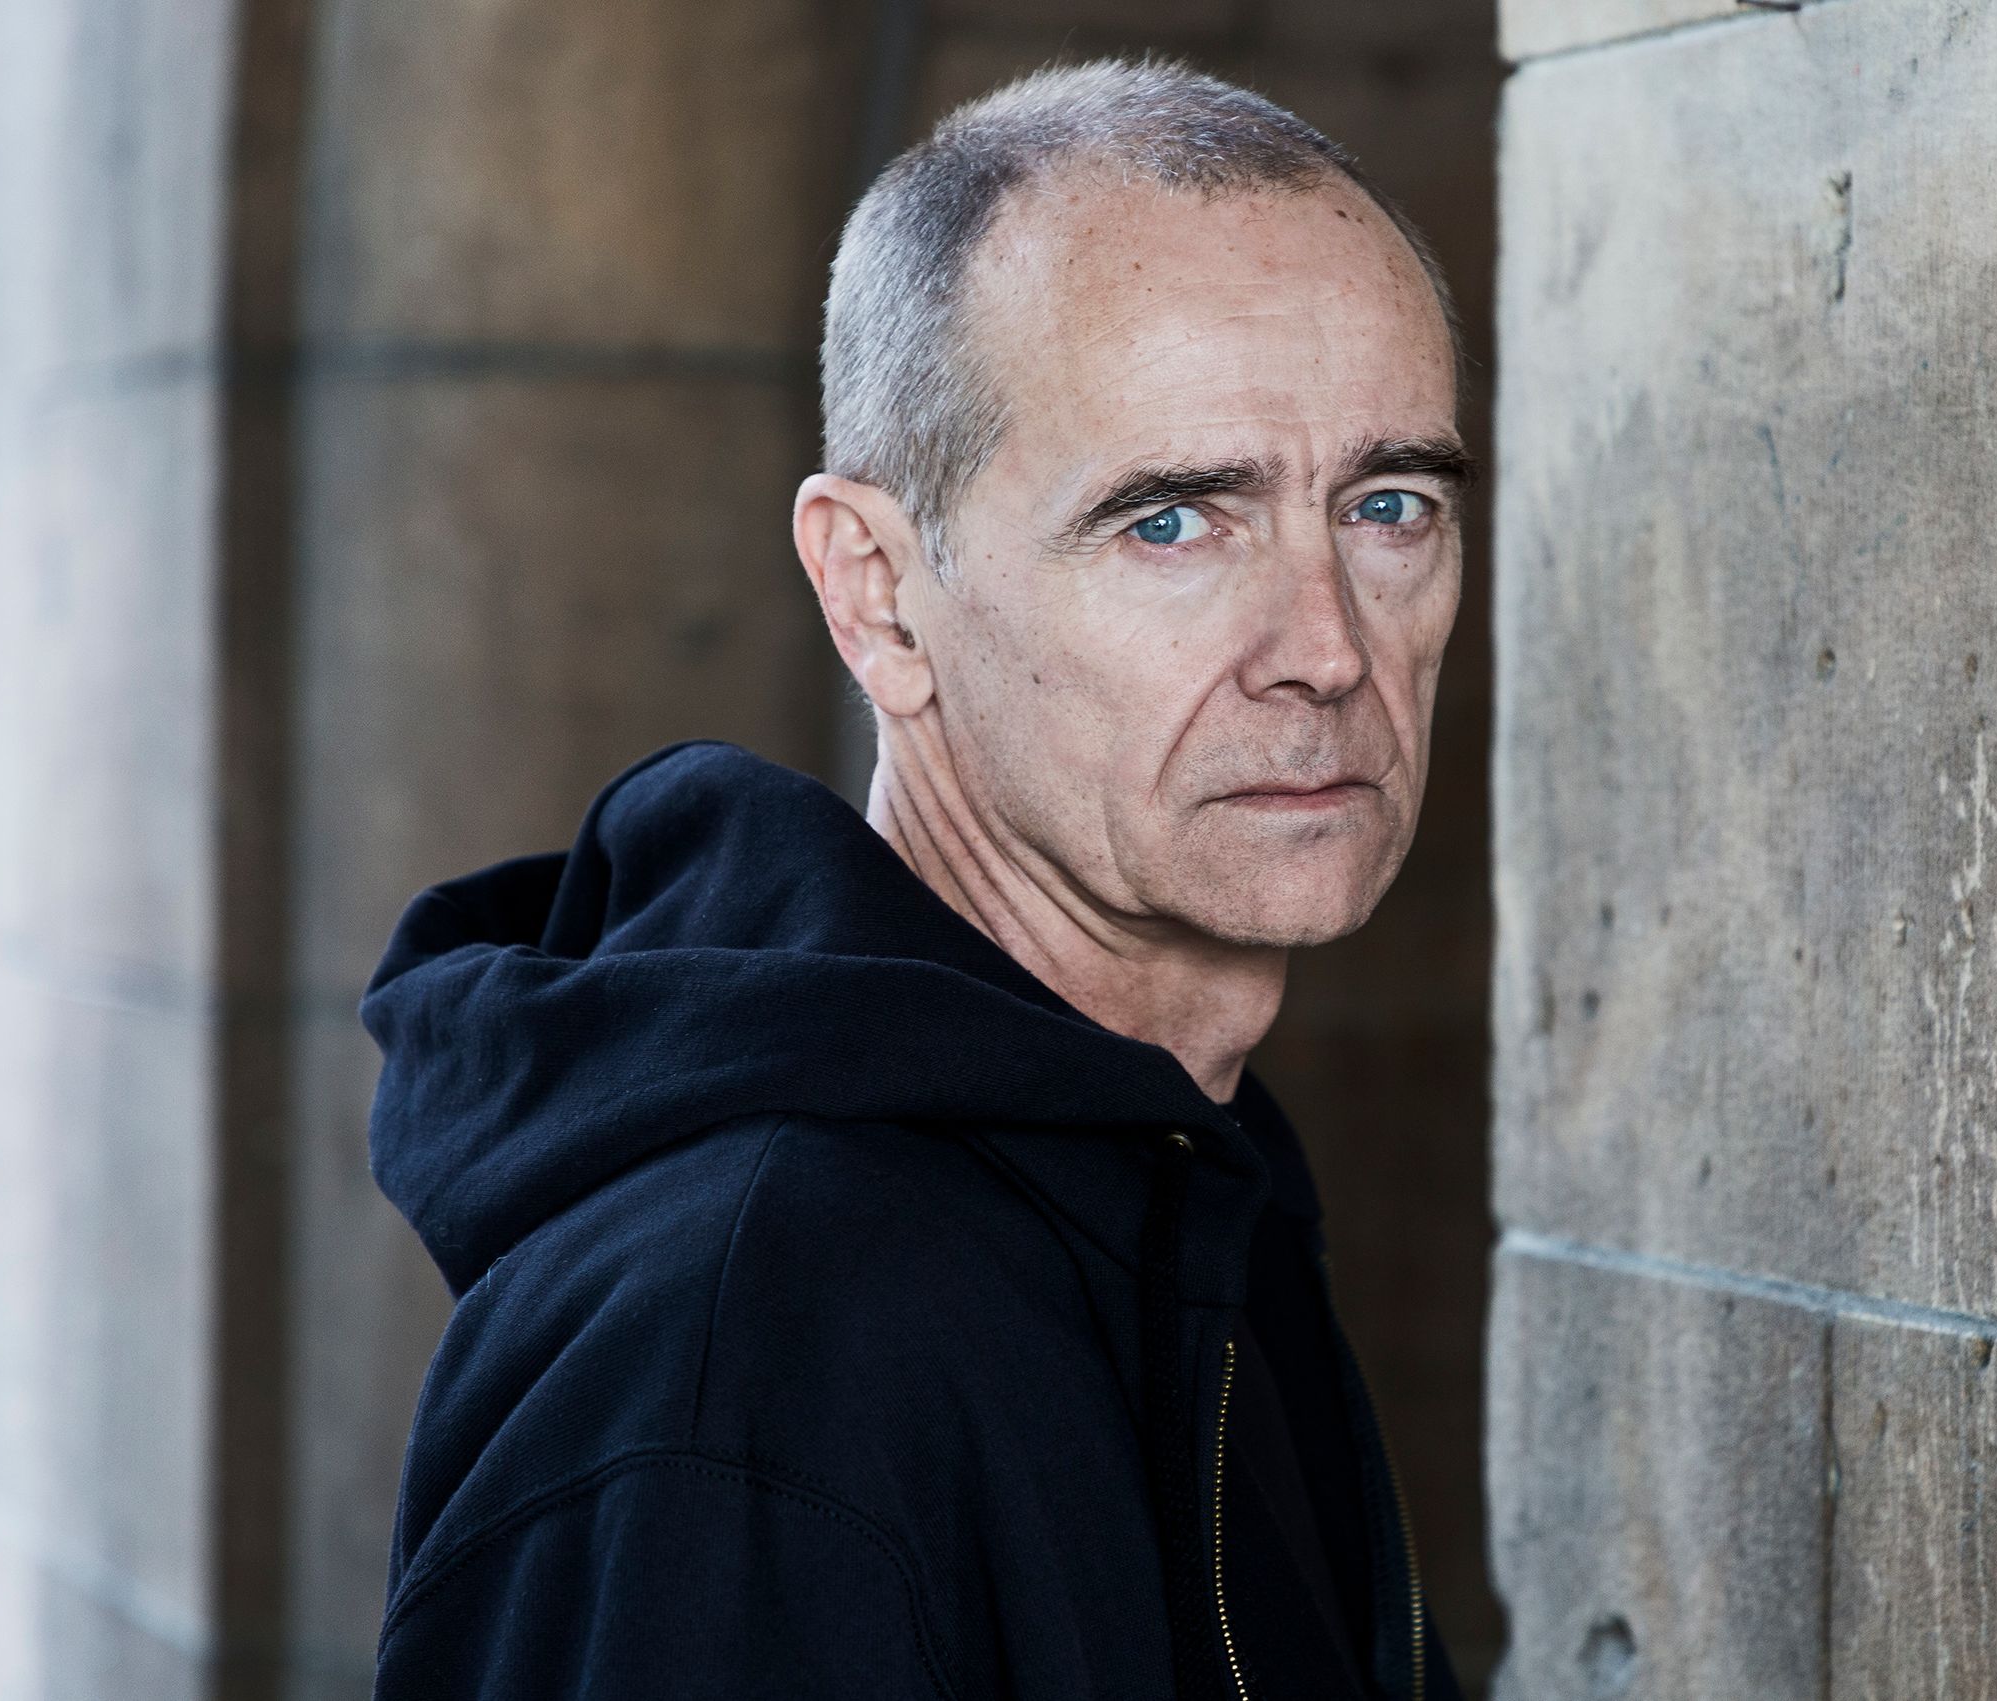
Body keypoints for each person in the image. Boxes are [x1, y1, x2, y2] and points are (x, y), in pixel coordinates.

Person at [362, 55, 1474, 1700]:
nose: (1329, 648)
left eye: (1388, 506)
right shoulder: (747, 1366)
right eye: (1173, 523)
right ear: (878, 594)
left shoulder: (1178, 1168)